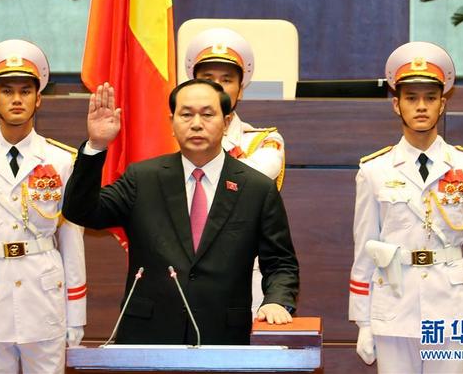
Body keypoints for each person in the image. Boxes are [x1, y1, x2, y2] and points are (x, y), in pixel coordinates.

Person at [63, 79, 299, 345]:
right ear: (172, 122)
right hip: (148, 336)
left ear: (226, 122)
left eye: (207, 114)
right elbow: (82, 212)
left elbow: (281, 263)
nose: (196, 123)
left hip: (223, 337)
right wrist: (96, 146)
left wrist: (276, 301)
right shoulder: (143, 178)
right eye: (186, 114)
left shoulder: (256, 188)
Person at [348, 41, 463, 374]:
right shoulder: (374, 170)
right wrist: (363, 321)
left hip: (452, 306)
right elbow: (365, 248)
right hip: (394, 305)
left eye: (430, 98)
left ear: (442, 104)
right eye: (411, 98)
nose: (421, 106)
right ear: (396, 105)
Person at [0, 39, 86, 374]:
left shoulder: (62, 160)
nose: (17, 99)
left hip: (44, 298)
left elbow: (72, 242)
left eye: (26, 90)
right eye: (7, 91)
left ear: (39, 98)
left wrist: (76, 312)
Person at [185, 28, 285, 316]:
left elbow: (245, 182)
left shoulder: (263, 141)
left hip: (243, 277)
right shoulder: (171, 141)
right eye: (208, 79)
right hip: (182, 275)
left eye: (227, 80)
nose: (216, 87)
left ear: (240, 90)